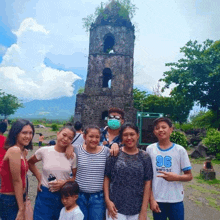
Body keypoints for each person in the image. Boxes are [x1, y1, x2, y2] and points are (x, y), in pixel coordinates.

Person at [146, 117, 193, 220]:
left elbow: (189, 176)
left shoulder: (180, 150)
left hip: (176, 199)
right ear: (154, 131)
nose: (161, 130)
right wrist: (151, 199)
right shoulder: (150, 149)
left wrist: (176, 177)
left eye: (164, 127)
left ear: (171, 129)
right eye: (157, 128)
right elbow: (148, 177)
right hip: (158, 199)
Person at [104, 123, 153, 220]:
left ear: (138, 135)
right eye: (125, 135)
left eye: (132, 134)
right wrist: (108, 201)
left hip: (136, 209)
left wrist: (143, 211)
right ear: (121, 137)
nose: (129, 137)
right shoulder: (115, 154)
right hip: (115, 208)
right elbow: (106, 178)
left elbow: (147, 183)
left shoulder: (144, 157)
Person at [28, 125, 77, 220]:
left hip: (63, 196)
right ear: (58, 133)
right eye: (64, 135)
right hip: (45, 194)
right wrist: (39, 178)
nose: (65, 139)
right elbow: (30, 163)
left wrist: (65, 182)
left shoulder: (72, 156)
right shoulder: (44, 151)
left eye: (70, 138)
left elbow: (75, 177)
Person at [0, 119, 34, 220]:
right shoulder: (14, 150)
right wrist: (21, 208)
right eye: (24, 133)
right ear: (15, 133)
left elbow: (24, 177)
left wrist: (26, 198)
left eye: (30, 133)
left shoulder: (21, 151)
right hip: (10, 200)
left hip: (19, 197)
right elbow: (17, 181)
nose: (28, 136)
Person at [74, 125, 110, 220]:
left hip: (98, 197)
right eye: (91, 136)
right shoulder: (77, 150)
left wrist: (115, 145)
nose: (94, 139)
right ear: (84, 137)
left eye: (97, 137)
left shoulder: (106, 152)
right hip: (79, 196)